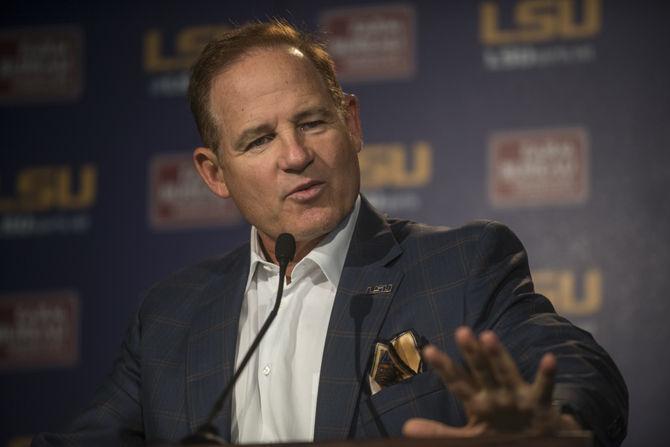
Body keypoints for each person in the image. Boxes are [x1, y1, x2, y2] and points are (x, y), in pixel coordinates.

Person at [32, 20, 627, 447]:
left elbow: (574, 365)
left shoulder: (460, 265)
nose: (295, 156)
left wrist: (556, 426)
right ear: (214, 173)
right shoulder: (170, 315)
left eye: (312, 123)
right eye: (259, 139)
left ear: (352, 124)